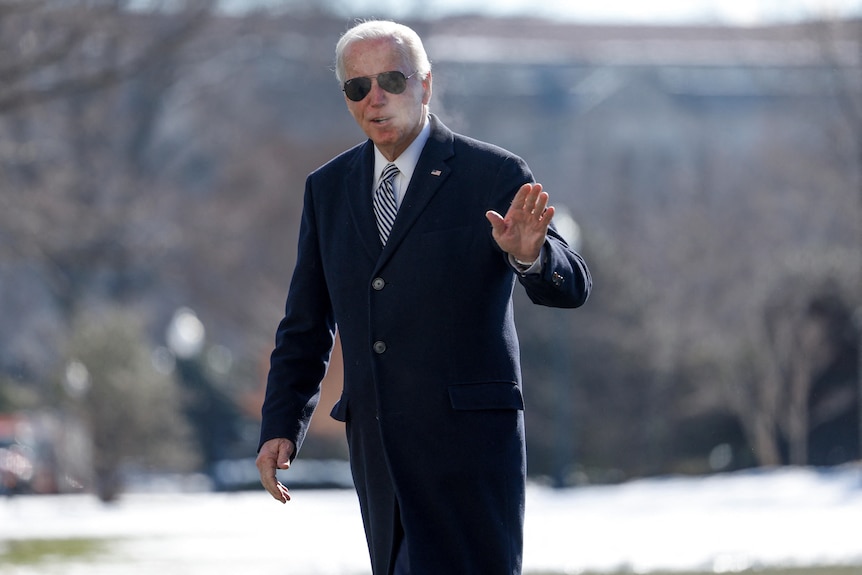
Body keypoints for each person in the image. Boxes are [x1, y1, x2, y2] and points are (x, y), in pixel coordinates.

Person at [255, 19, 591, 575]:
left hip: (468, 450)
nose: (376, 98)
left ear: (426, 85)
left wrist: (530, 256)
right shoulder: (327, 189)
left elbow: (572, 286)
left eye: (391, 79)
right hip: (379, 450)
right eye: (358, 87)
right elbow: (307, 325)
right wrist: (280, 426)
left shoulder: (492, 173)